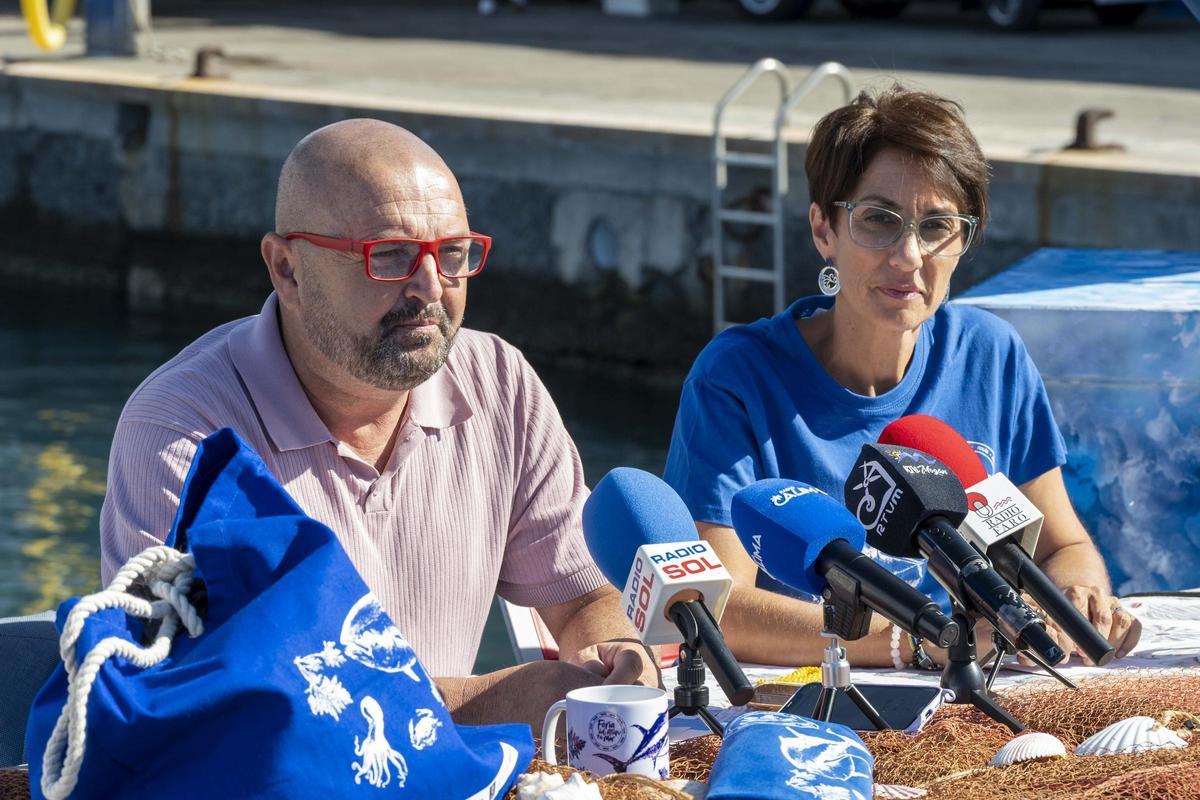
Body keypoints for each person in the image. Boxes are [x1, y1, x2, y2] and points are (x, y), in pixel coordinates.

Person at [99, 118, 658, 731]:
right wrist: (488, 703)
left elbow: (582, 597)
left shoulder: (500, 383)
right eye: (390, 255)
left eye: (452, 254)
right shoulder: (184, 433)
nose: (429, 288)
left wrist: (616, 656)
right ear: (287, 269)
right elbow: (207, 705)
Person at [663, 86, 1141, 670]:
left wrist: (1078, 597)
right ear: (823, 230)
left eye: (937, 225)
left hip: (983, 694)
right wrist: (925, 640)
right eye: (878, 220)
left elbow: (1063, 545)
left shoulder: (992, 356)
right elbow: (721, 609)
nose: (909, 255)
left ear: (964, 241)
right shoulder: (736, 377)